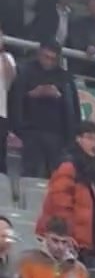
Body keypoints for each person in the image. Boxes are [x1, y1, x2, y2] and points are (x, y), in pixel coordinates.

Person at [9, 41, 80, 178]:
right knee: (31, 175)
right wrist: (32, 94)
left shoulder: (65, 78)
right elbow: (14, 100)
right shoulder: (24, 71)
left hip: (57, 135)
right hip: (30, 132)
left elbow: (73, 109)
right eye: (46, 57)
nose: (49, 62)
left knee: (56, 177)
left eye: (53, 59)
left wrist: (58, 96)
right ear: (39, 53)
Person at [37, 122, 95, 259]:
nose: (94, 144)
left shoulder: (89, 169)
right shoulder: (69, 165)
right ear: (78, 139)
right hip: (64, 242)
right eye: (89, 138)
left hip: (79, 241)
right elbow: (60, 205)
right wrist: (65, 237)